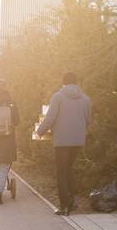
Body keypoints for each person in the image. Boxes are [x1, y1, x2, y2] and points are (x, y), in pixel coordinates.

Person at [36, 72, 92, 216]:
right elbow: (88, 120)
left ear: (64, 83)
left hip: (62, 141)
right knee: (69, 169)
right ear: (76, 82)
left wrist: (39, 131)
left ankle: (64, 206)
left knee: (61, 171)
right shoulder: (85, 99)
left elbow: (50, 118)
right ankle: (72, 202)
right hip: (78, 140)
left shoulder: (58, 97)